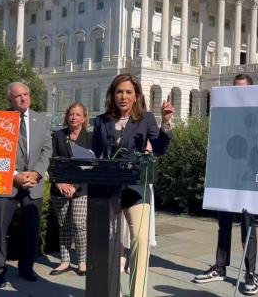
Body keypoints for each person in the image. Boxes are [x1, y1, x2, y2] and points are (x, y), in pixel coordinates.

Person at [91, 73, 173, 297]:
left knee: (141, 241)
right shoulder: (101, 120)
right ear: (113, 95)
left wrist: (166, 123)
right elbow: (96, 155)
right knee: (107, 245)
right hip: (108, 189)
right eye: (119, 92)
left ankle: (137, 294)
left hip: (136, 188)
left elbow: (159, 148)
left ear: (136, 95)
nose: (124, 96)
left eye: (128, 92)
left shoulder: (146, 119)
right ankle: (110, 291)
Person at [194, 73, 258, 296]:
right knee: (224, 225)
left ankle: (250, 274)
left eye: (242, 89)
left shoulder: (256, 114)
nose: (238, 93)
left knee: (248, 228)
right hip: (226, 177)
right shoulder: (225, 114)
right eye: (235, 88)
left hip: (247, 179)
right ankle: (220, 267)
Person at [0, 82, 52, 288]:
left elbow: (47, 150)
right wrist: (14, 175)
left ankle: (26, 268)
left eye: (26, 94)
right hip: (7, 182)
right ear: (10, 99)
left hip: (34, 183)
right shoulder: (0, 121)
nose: (23, 98)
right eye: (18, 96)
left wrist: (36, 173)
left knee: (31, 230)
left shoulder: (41, 120)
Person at [49, 102, 93, 276]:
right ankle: (65, 261)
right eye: (71, 114)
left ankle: (82, 261)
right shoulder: (58, 136)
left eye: (78, 114)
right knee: (64, 225)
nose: (74, 117)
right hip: (60, 187)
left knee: (79, 224)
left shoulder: (89, 138)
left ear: (84, 118)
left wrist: (75, 186)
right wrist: (58, 183)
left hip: (81, 188)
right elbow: (51, 161)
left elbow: (91, 165)